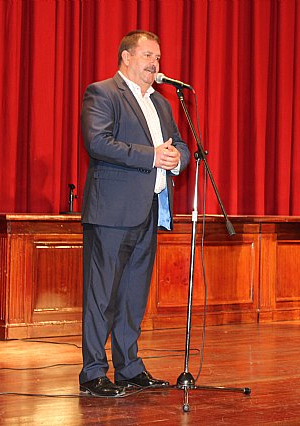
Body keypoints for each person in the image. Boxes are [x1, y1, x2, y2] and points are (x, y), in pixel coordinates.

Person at [79, 30, 191, 397]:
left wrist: (177, 159)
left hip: (149, 210)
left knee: (133, 295)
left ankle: (128, 367)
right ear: (126, 57)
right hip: (112, 211)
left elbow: (179, 146)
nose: (154, 64)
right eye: (147, 55)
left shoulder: (161, 103)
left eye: (157, 57)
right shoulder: (103, 92)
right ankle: (93, 371)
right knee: (102, 294)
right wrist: (152, 156)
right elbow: (97, 142)